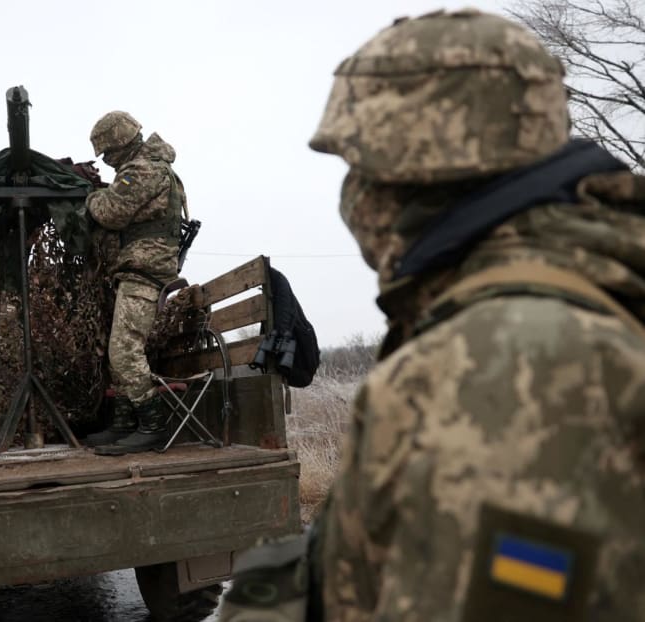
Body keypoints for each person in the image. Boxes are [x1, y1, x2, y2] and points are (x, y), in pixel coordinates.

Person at [220, 9, 645, 621]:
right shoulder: (587, 291)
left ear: (412, 169)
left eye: (359, 169)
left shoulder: (502, 366)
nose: (352, 199)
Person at [83, 110, 186, 455]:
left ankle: (153, 425)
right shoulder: (149, 166)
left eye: (108, 153)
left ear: (119, 143)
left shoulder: (142, 169)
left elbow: (110, 211)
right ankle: (124, 423)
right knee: (118, 353)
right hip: (138, 268)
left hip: (146, 269)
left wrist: (91, 198)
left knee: (124, 351)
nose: (107, 161)